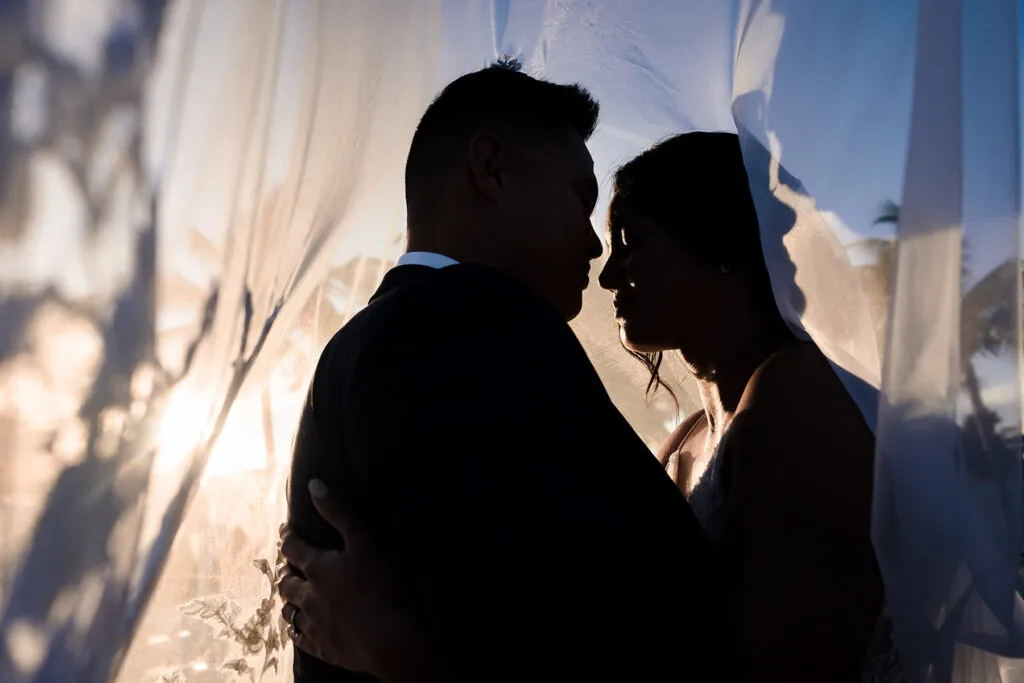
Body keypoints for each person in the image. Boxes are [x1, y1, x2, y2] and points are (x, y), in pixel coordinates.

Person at [281, 131, 885, 682]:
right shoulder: (684, 441)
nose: (608, 274)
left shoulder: (797, 401)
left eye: (631, 240)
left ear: (720, 240)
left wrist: (395, 650)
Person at [282, 66, 726, 683]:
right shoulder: (466, 323)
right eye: (581, 199)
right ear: (490, 168)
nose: (595, 250)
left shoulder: (370, 340)